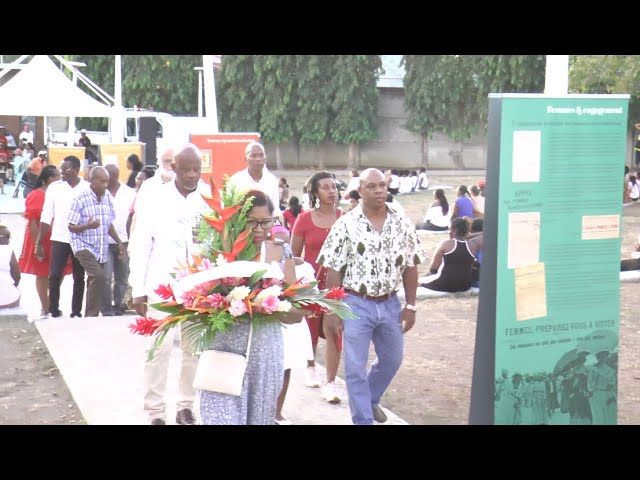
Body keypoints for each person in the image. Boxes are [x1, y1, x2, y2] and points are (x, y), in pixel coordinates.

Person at [317, 168, 425, 425]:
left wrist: (411, 305)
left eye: (382, 186)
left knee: (392, 358)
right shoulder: (346, 224)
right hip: (355, 303)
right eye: (371, 187)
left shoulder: (401, 221)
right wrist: (333, 309)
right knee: (354, 367)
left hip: (389, 303)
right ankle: (363, 419)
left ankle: (370, 398)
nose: (378, 191)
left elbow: (411, 265)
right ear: (360, 190)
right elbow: (334, 269)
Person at [199, 190, 305, 425]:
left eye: (265, 222)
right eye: (251, 222)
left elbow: (294, 307)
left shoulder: (280, 250)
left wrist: (274, 305)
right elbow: (198, 298)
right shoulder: (217, 248)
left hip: (265, 351)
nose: (259, 229)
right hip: (224, 349)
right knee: (220, 418)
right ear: (237, 221)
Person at [128, 143, 209, 425]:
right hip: (161, 288)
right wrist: (137, 289)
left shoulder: (207, 198)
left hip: (199, 290)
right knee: (158, 352)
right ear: (173, 168)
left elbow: (214, 245)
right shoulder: (154, 199)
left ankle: (186, 406)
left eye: (196, 169)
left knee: (194, 351)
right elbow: (139, 246)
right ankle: (155, 412)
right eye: (186, 169)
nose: (191, 175)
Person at [291, 171, 345, 402]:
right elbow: (293, 255)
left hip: (337, 285)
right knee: (310, 330)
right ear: (315, 192)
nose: (331, 191)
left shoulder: (345, 218)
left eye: (333, 187)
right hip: (311, 283)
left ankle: (331, 383)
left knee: (334, 331)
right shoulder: (304, 219)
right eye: (325, 187)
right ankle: (311, 365)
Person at [35, 156, 91, 318]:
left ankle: (76, 311)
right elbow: (47, 215)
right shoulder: (55, 188)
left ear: (75, 169)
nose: (61, 172)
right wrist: (39, 242)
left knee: (79, 277)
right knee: (54, 275)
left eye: (64, 168)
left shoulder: (87, 188)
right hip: (59, 238)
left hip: (81, 239)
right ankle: (54, 309)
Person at [67, 166, 126, 318]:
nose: (105, 185)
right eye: (102, 181)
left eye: (107, 182)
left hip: (100, 246)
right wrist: (88, 225)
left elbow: (108, 224)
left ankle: (89, 314)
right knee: (98, 275)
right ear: (92, 181)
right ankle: (91, 315)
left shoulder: (107, 198)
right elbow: (71, 226)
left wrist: (119, 241)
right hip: (82, 245)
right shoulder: (80, 198)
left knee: (95, 280)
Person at [18, 166, 73, 319]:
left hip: (58, 236)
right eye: (58, 176)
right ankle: (45, 306)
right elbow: (33, 222)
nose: (61, 179)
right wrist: (39, 243)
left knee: (59, 271)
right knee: (42, 272)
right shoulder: (36, 195)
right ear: (49, 179)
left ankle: (52, 301)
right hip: (41, 238)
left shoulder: (61, 192)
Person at [101, 164, 136, 316]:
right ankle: (106, 307)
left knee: (122, 277)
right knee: (106, 276)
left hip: (125, 240)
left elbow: (134, 217)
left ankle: (119, 305)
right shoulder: (99, 193)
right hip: (105, 242)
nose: (108, 180)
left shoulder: (129, 193)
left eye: (111, 176)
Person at [421, 217, 481, 293]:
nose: (449, 232)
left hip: (444, 284)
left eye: (450, 229)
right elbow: (486, 233)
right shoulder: (473, 244)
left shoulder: (445, 244)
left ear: (454, 230)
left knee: (420, 280)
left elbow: (433, 268)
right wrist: (467, 235)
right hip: (465, 286)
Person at [227, 142, 281, 218]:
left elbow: (275, 211)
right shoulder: (235, 180)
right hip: (241, 226)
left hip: (265, 227)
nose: (258, 159)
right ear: (245, 159)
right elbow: (229, 208)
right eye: (253, 155)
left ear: (265, 158)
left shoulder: (272, 180)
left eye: (261, 155)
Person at [0, 224, 21, 309]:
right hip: (8, 299)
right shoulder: (8, 250)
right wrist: (11, 287)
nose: (9, 241)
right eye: (7, 237)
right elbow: (17, 275)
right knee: (16, 293)